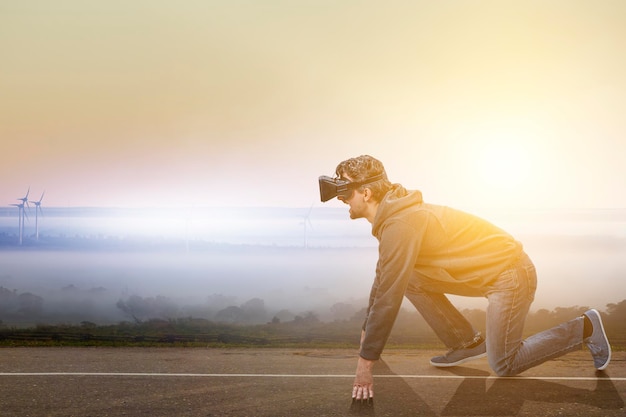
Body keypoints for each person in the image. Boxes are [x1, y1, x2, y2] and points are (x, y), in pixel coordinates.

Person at [317, 155, 611, 402]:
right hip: (484, 273)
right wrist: (368, 331)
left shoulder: (400, 223)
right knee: (409, 277)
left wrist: (365, 363)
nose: (342, 199)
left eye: (345, 191)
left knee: (504, 364)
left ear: (366, 194)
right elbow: (384, 278)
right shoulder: (394, 217)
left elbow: (388, 296)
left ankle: (585, 327)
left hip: (510, 274)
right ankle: (467, 342)